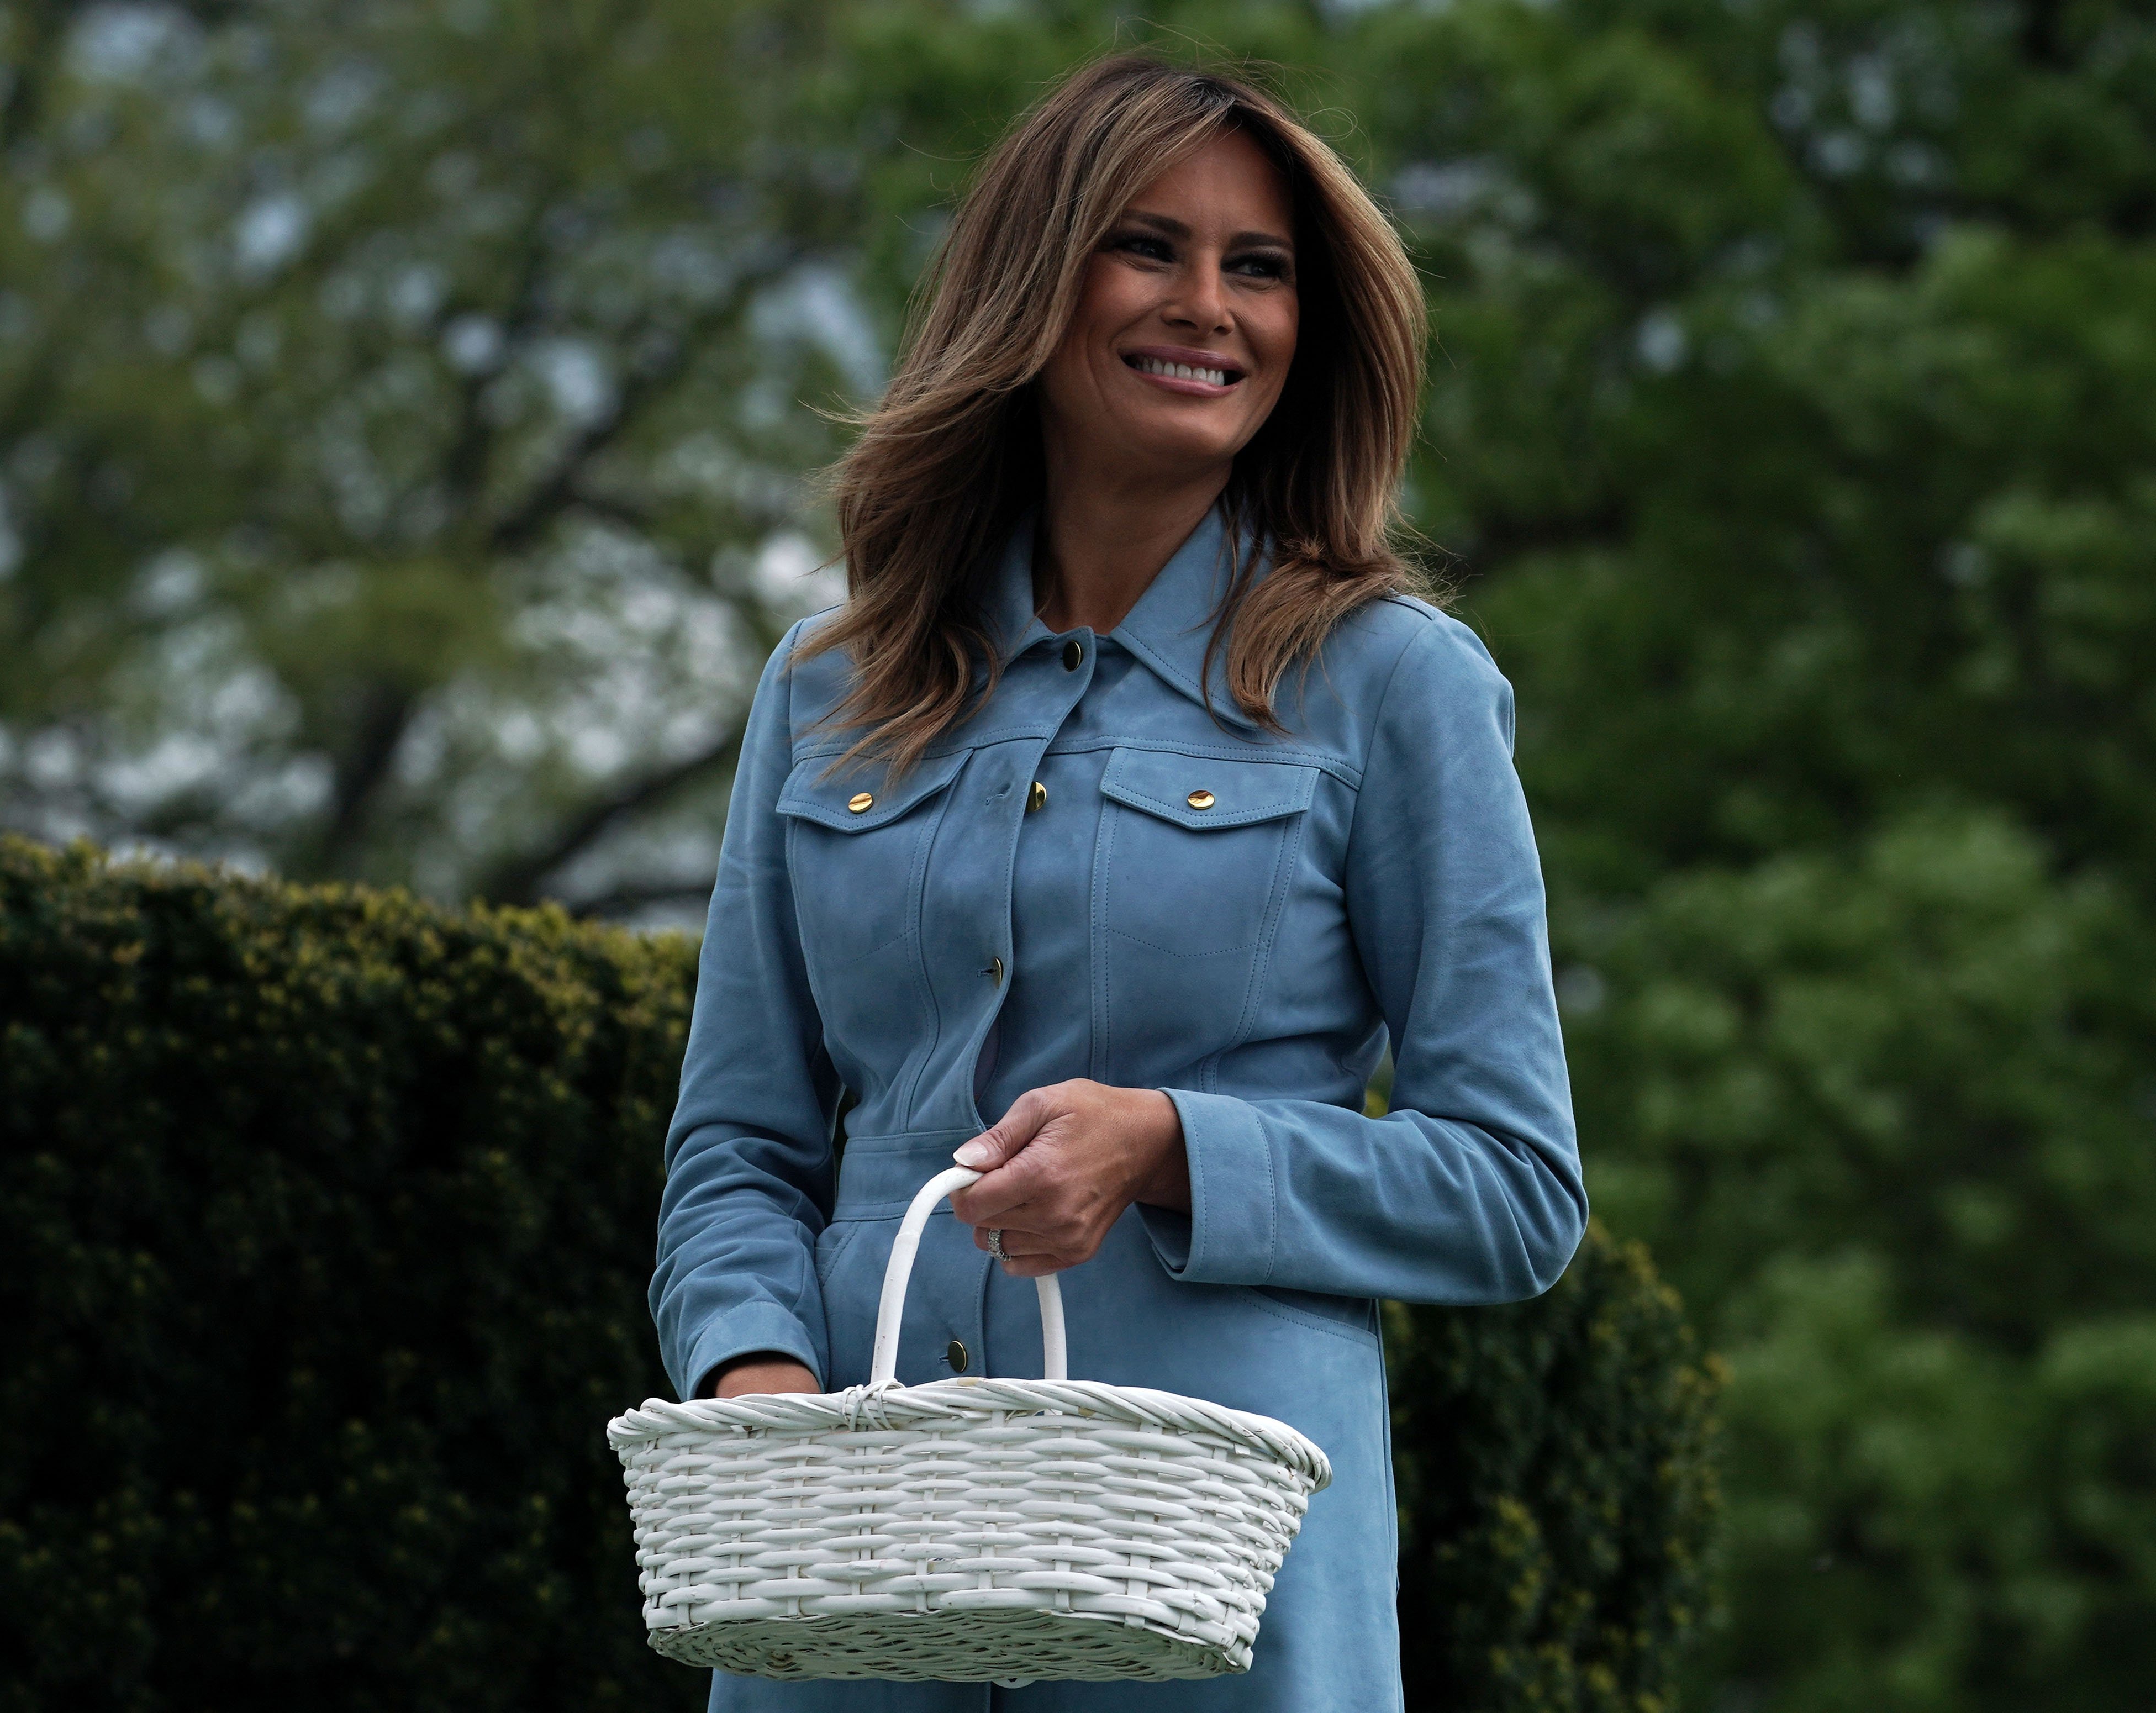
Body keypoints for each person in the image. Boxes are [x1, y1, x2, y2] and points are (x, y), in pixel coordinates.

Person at [649, 54, 1584, 1712]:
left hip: (1218, 1608)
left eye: (1261, 267)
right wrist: (758, 1372)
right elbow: (740, 1143)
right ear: (1033, 281)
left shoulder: (1394, 686)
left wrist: (1171, 1149)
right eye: (1150, 248)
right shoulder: (827, 689)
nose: (1210, 306)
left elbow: (1513, 1187)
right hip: (844, 1587)